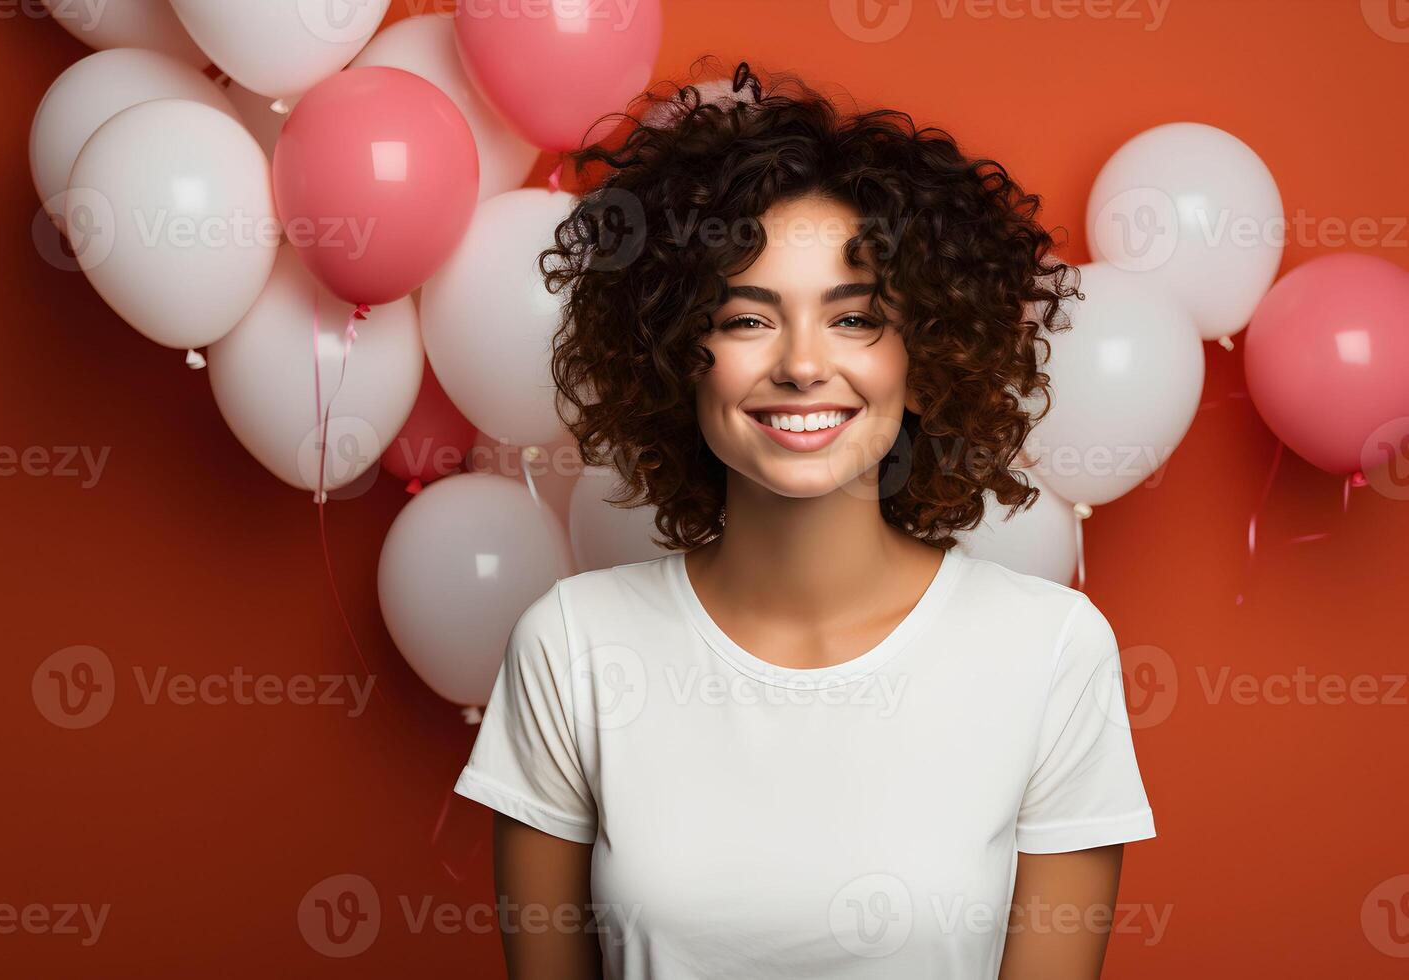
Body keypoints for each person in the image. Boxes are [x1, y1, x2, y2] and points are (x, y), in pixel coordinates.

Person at [452, 59, 1156, 979]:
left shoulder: (1053, 653)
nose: (802, 365)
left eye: (855, 318)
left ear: (928, 348)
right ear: (676, 353)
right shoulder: (572, 650)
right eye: (748, 319)